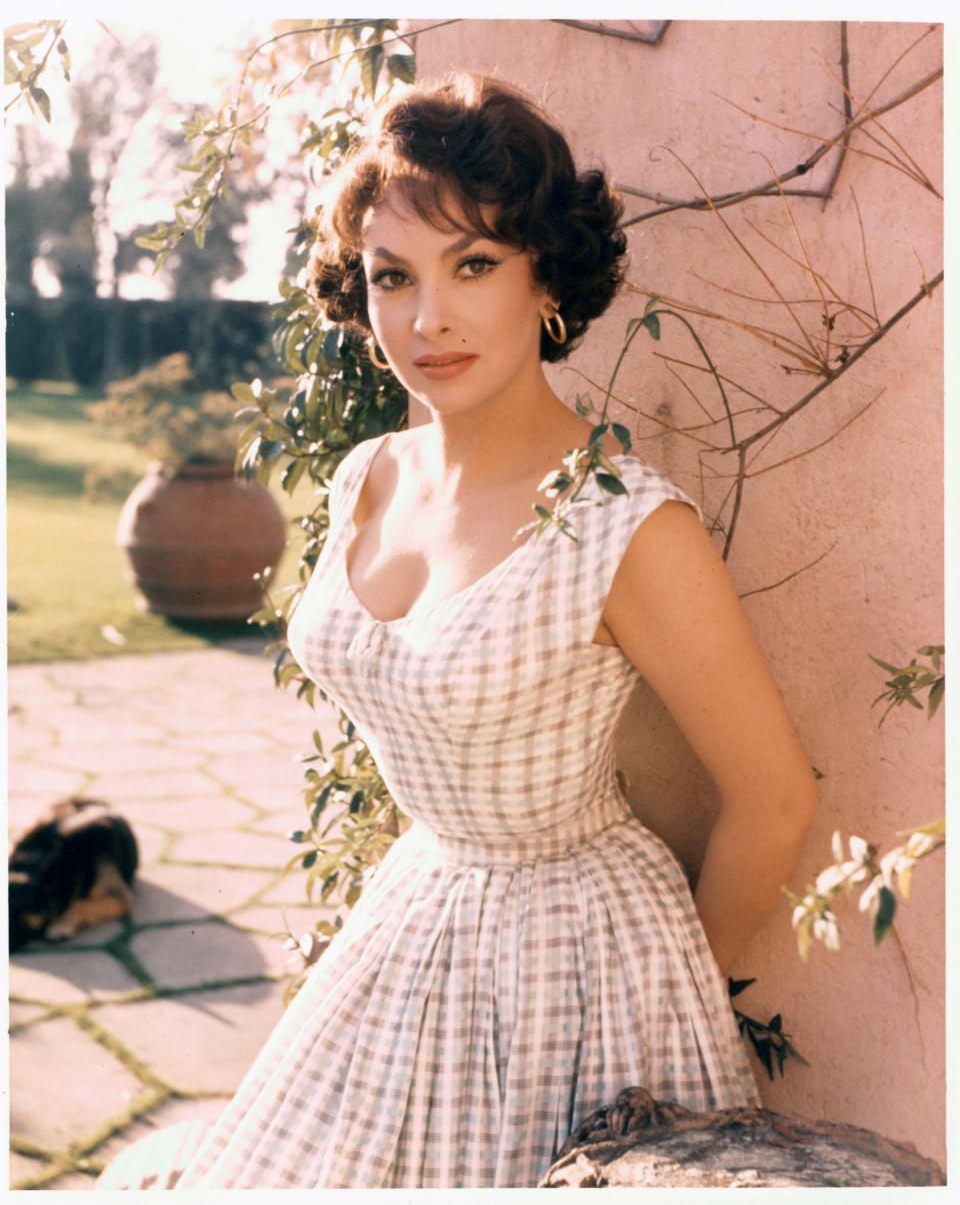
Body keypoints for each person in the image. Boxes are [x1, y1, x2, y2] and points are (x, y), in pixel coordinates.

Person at [98, 72, 817, 1190]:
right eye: (394, 277)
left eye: (473, 264)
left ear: (546, 281)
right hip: (414, 913)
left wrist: (661, 981)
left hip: (577, 962)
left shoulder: (620, 523)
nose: (428, 319)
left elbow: (775, 798)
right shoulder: (364, 476)